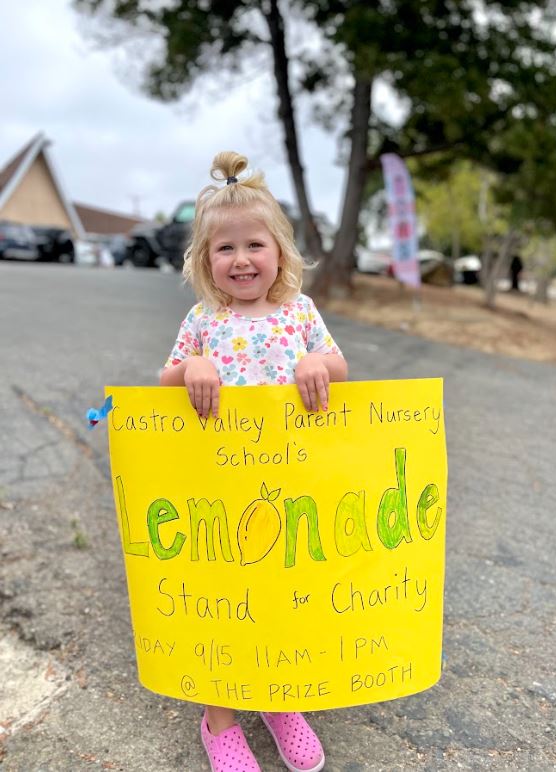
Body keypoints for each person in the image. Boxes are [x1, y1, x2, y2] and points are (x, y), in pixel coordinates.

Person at [160, 150, 348, 772]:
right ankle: (219, 718)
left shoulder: (299, 314)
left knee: (280, 593)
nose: (241, 260)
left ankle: (278, 695)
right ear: (205, 261)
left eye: (254, 245)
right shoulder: (203, 321)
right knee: (222, 597)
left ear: (280, 251)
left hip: (289, 487)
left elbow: (340, 370)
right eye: (225, 249)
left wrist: (316, 364)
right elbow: (163, 384)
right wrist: (193, 365)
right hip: (217, 492)